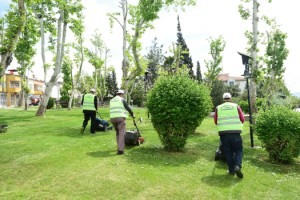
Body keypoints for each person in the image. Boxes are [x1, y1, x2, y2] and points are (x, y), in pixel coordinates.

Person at [214, 92, 245, 178]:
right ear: (230, 98)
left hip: (223, 134)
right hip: (235, 133)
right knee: (239, 150)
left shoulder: (218, 108)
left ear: (223, 99)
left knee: (228, 152)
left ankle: (231, 170)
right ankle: (237, 166)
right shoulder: (236, 106)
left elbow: (216, 121)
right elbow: (242, 119)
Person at [110, 89, 135, 155]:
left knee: (118, 132)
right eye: (123, 95)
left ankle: (119, 146)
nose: (123, 96)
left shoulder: (111, 100)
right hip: (120, 118)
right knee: (121, 133)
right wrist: (132, 114)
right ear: (121, 94)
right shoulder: (122, 100)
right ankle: (120, 150)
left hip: (112, 118)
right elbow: (128, 108)